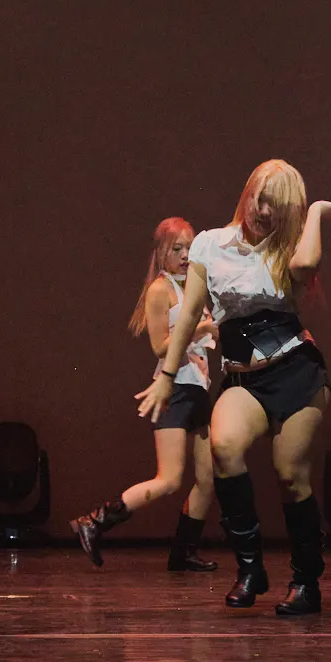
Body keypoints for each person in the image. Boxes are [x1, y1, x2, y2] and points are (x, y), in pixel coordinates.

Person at [137, 162, 331, 617]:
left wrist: (314, 212)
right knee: (225, 446)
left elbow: (307, 265)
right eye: (258, 196)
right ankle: (251, 568)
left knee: (290, 474)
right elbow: (189, 314)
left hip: (297, 374)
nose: (262, 209)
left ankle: (306, 581)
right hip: (243, 376)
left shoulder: (291, 246)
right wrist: (167, 376)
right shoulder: (210, 244)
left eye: (275, 204)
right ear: (246, 192)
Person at [70, 218, 219, 573]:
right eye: (177, 249)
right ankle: (94, 521)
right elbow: (160, 346)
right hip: (175, 387)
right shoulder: (160, 290)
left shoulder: (193, 285)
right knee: (169, 479)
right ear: (162, 251)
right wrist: (201, 327)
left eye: (189, 248)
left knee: (208, 478)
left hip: (198, 386)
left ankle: (183, 551)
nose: (184, 255)